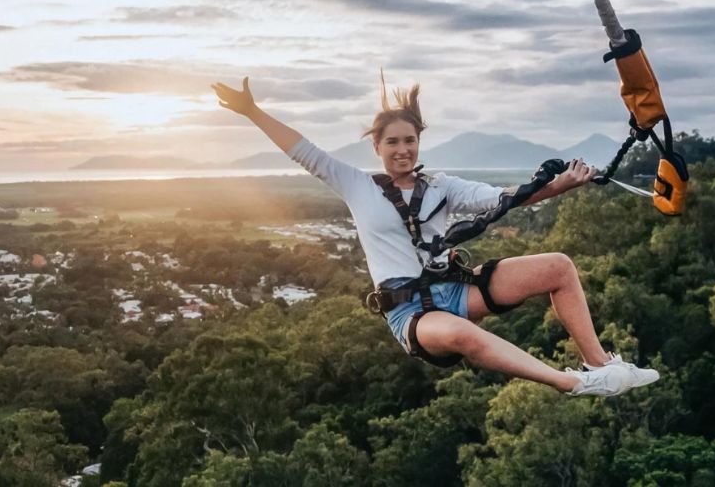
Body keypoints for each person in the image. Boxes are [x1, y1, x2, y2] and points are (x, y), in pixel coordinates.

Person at [212, 77, 659, 397]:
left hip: (455, 289)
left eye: (409, 140)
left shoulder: (442, 187)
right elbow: (302, 149)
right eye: (392, 143)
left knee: (557, 267)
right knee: (464, 336)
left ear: (419, 142)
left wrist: (560, 185)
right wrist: (252, 111)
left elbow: (502, 199)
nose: (402, 149)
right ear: (377, 148)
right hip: (410, 313)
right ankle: (576, 385)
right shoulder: (355, 185)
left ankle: (600, 365)